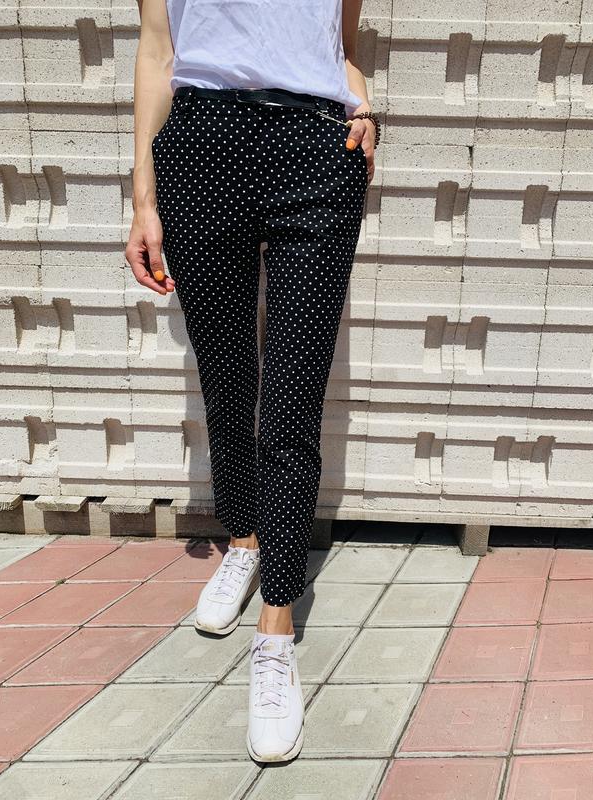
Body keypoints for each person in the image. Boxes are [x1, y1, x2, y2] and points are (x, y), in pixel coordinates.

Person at [126, 0, 379, 763]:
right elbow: (156, 51)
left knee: (293, 402)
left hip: (318, 147)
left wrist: (364, 106)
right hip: (202, 143)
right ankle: (244, 539)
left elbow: (341, 46)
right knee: (227, 376)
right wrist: (143, 198)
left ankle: (276, 630)